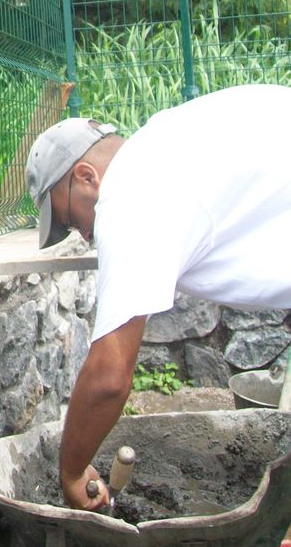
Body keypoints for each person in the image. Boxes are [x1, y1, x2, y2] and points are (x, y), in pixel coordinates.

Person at [26, 83, 291, 511]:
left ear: (86, 177)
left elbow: (110, 376)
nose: (84, 235)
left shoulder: (131, 196)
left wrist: (72, 472)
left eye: (69, 218)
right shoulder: (165, 143)